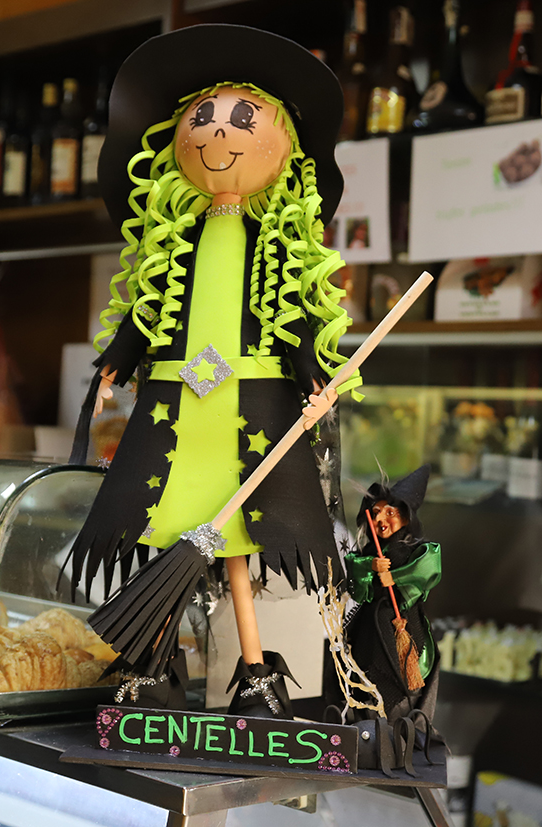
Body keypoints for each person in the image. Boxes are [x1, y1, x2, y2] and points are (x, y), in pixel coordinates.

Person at [65, 24, 362, 717]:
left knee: (237, 548)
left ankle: (255, 672)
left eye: (241, 119)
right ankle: (155, 661)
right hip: (176, 408)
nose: (216, 132)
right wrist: (115, 364)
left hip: (248, 410)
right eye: (201, 118)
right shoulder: (178, 240)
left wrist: (316, 375)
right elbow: (149, 308)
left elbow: (291, 315)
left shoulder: (273, 242)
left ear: (283, 148)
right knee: (165, 527)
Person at [343, 465, 441, 723]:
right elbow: (355, 580)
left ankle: (404, 728)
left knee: (403, 684)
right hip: (370, 632)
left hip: (404, 626)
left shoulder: (415, 551)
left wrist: (395, 578)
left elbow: (427, 571)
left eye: (390, 513)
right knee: (366, 678)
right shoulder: (368, 552)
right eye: (375, 513)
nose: (381, 520)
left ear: (406, 518)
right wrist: (369, 566)